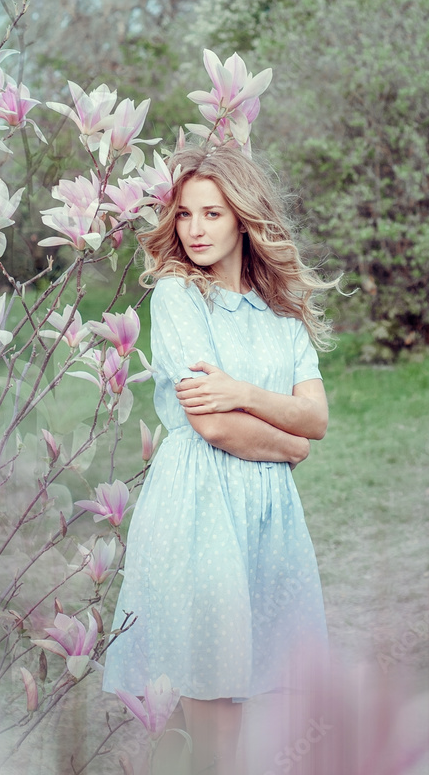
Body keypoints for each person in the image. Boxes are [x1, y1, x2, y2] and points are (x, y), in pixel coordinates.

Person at [102, 142, 340, 775]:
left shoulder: (281, 313)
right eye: (184, 215)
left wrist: (243, 394)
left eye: (211, 213)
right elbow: (212, 425)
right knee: (213, 694)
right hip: (200, 506)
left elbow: (317, 415)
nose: (195, 229)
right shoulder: (179, 297)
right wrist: (288, 443)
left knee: (267, 687)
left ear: (242, 217)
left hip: (268, 514)